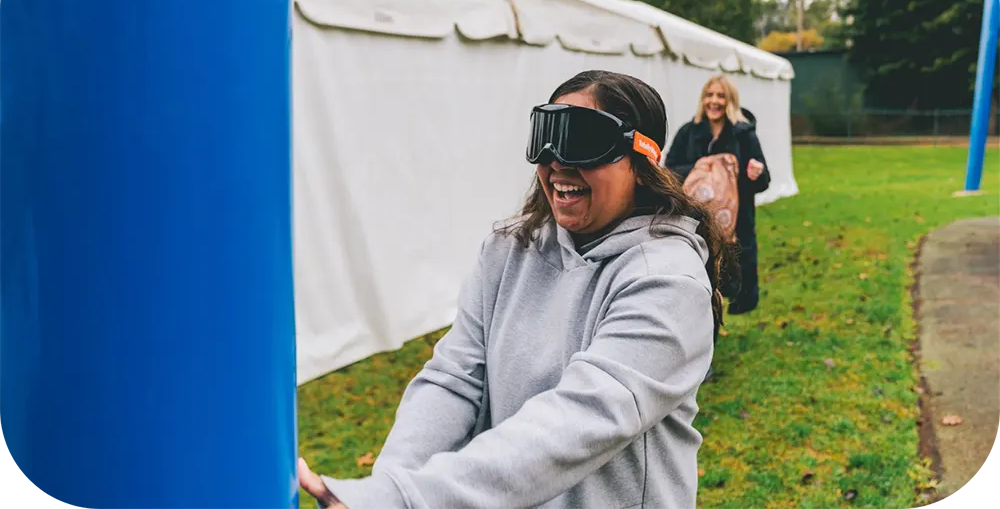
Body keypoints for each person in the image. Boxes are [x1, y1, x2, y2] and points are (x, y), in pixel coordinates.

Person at [298, 70, 734, 509]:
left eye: (582, 140)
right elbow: (454, 381)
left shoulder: (668, 281)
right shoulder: (508, 250)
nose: (557, 162)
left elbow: (578, 422)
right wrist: (388, 487)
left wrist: (404, 501)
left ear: (642, 163)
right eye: (546, 136)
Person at [665, 74, 769, 316]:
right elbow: (669, 170)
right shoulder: (688, 132)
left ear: (730, 100)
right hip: (696, 218)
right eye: (709, 95)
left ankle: (723, 311)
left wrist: (756, 173)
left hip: (735, 223)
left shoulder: (744, 135)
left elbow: (763, 179)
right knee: (699, 273)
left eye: (721, 95)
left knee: (729, 275)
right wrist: (701, 168)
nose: (714, 101)